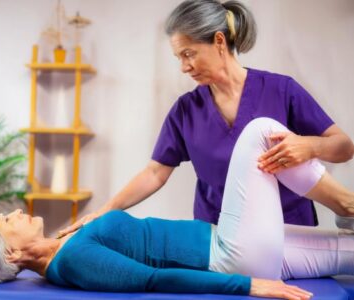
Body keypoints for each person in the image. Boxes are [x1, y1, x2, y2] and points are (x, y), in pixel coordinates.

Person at [59, 0, 354, 238]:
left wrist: (308, 146)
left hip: (290, 230)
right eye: (179, 58)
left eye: (189, 54)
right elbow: (154, 173)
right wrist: (106, 210)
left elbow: (343, 146)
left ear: (219, 41)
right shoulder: (186, 110)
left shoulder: (280, 89)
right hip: (220, 235)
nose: (184, 67)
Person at [0, 118, 354, 300]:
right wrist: (249, 286)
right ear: (12, 253)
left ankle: (349, 214)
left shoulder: (63, 248)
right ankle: (348, 203)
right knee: (261, 132)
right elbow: (153, 279)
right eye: (6, 221)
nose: (16, 212)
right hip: (231, 256)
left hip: (234, 245)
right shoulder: (73, 261)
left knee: (347, 248)